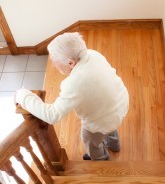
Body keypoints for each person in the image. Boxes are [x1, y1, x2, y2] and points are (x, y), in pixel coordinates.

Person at [16, 32, 129, 161]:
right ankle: (114, 145)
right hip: (119, 104)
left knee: (90, 141)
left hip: (102, 119)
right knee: (110, 126)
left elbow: (52, 115)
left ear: (71, 63)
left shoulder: (74, 83)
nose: (53, 64)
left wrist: (23, 96)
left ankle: (101, 159)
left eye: (54, 60)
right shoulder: (93, 54)